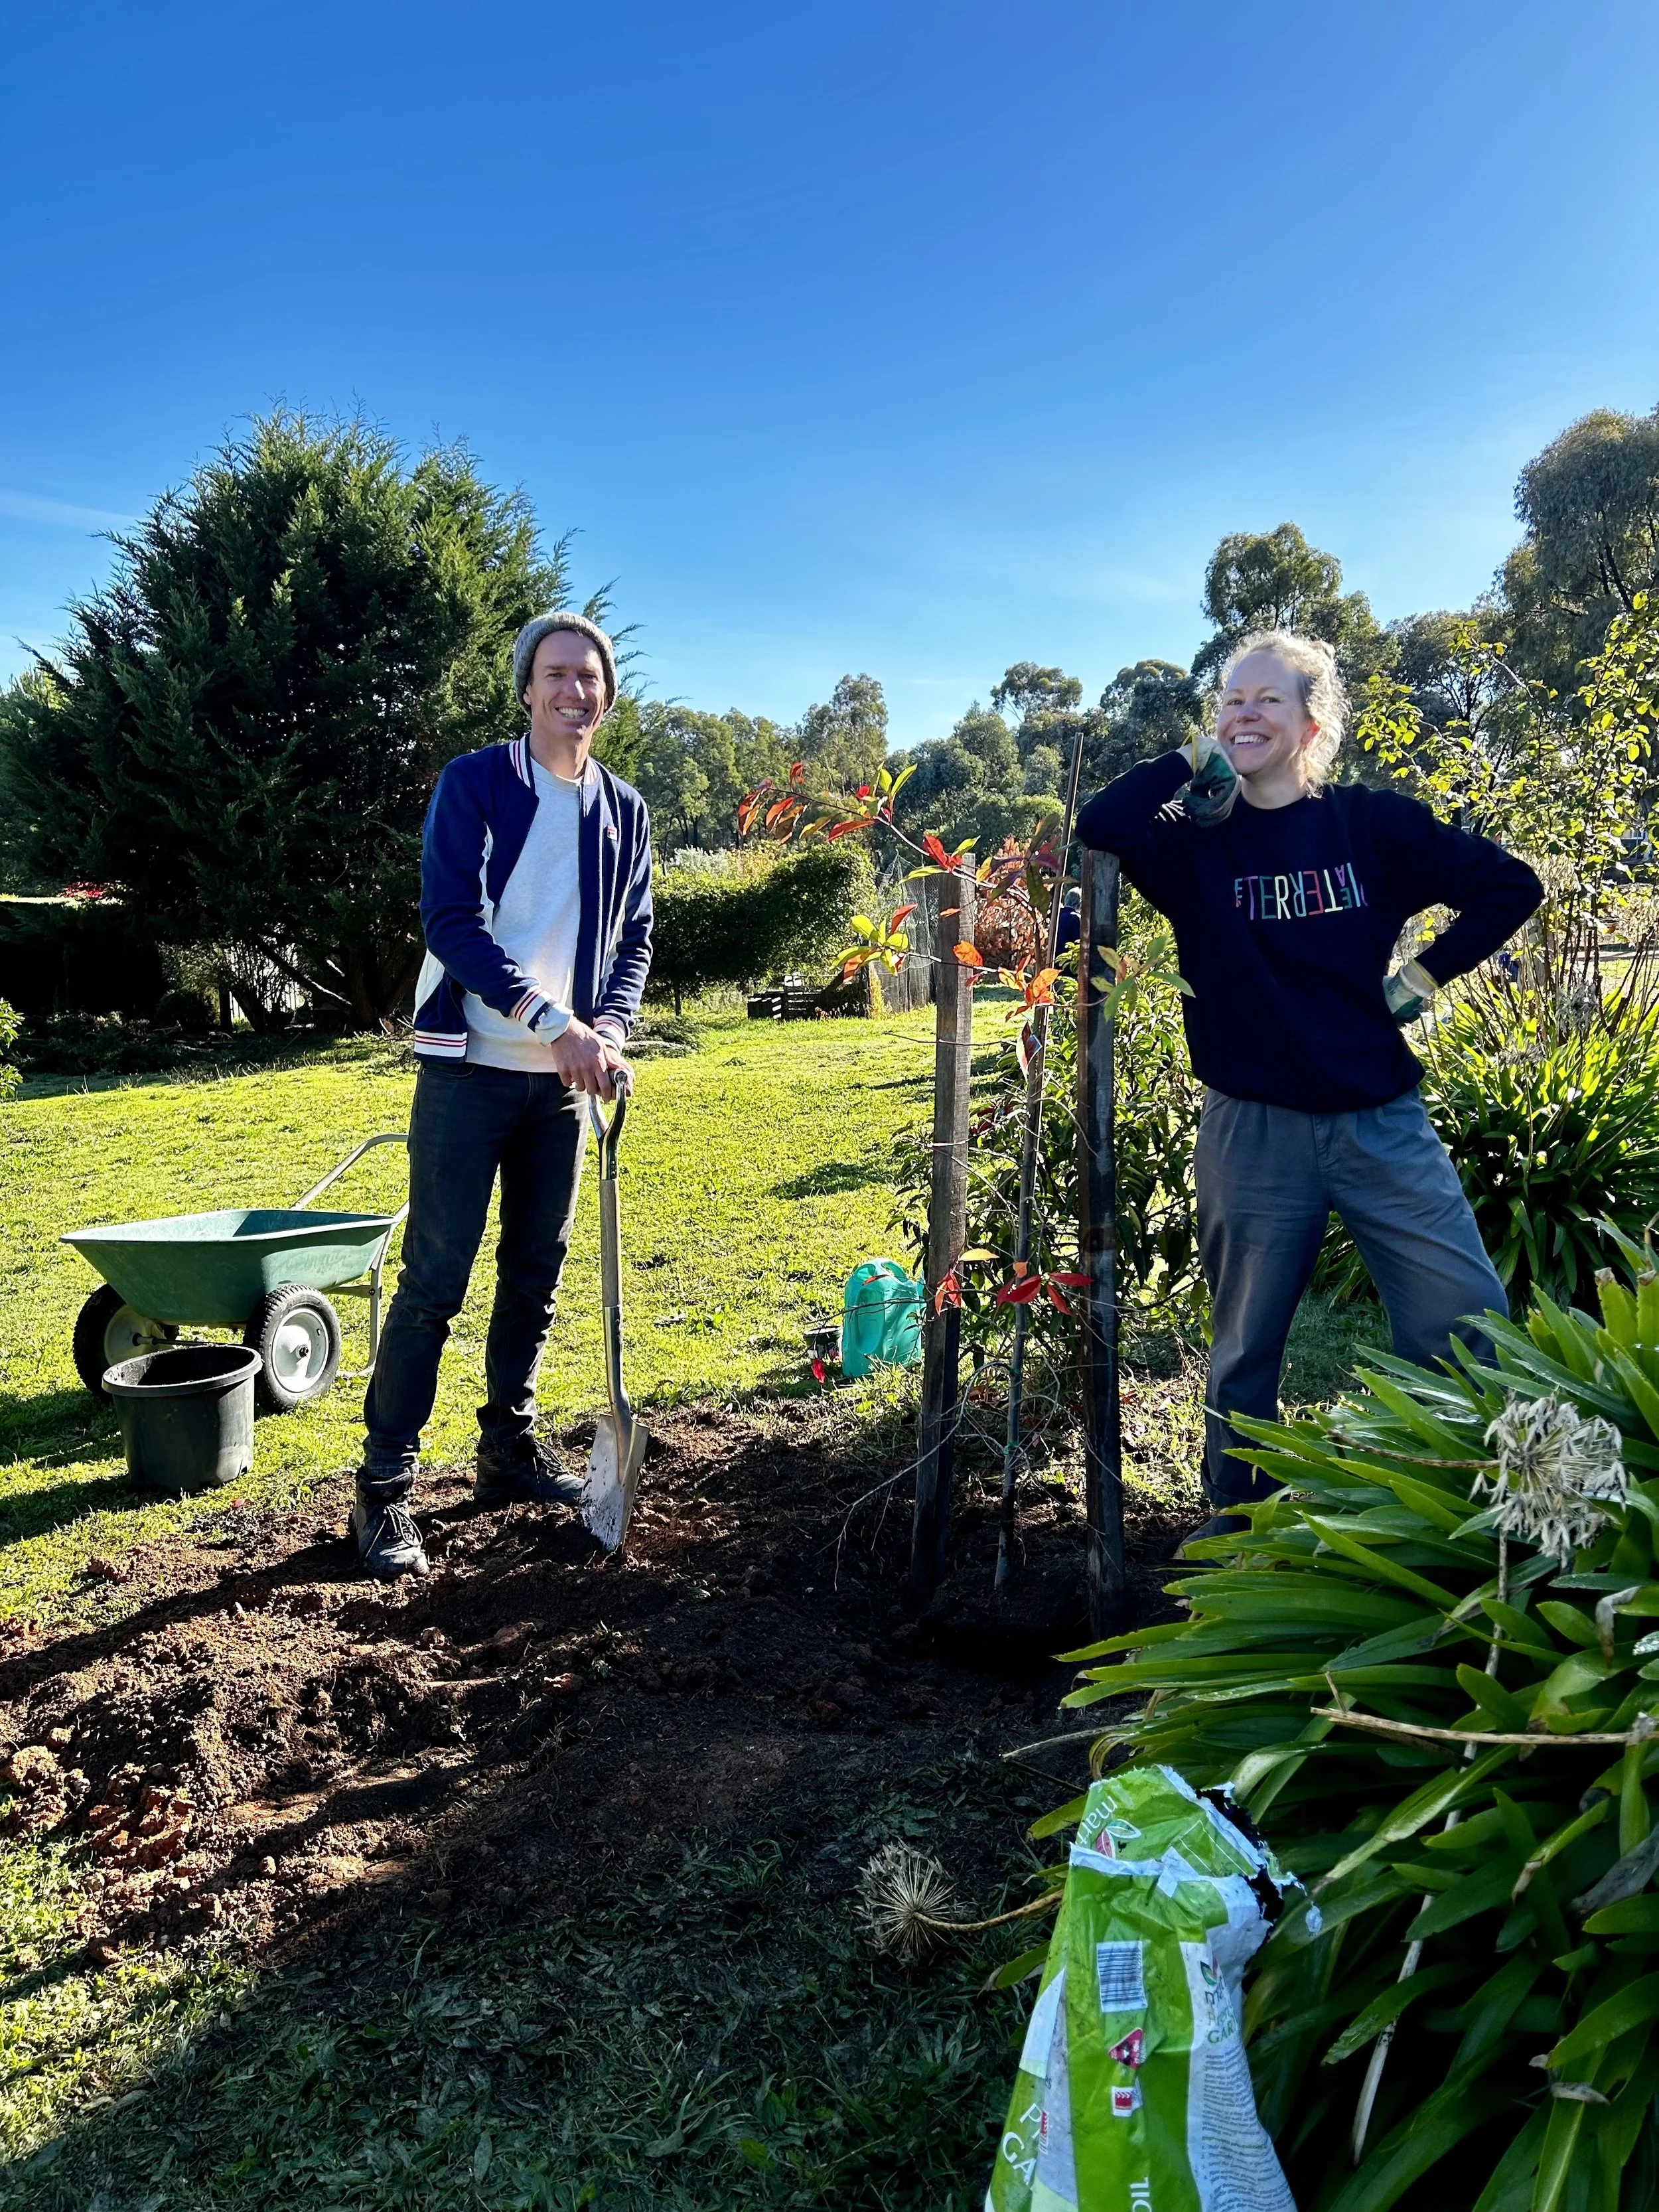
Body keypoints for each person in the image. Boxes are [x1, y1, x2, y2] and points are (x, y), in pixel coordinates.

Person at [1076, 629, 1542, 1542]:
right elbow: (1101, 825)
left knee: (1466, 1322)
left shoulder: (1371, 826)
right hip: (1253, 1130)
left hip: (1381, 1124)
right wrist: (1189, 759)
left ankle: (1482, 1514)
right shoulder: (1190, 846)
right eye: (1230, 702)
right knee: (1246, 1348)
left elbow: (1509, 887)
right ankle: (1240, 1525)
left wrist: (1421, 977)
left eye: (1267, 701)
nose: (1244, 713)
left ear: (1312, 723)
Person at [351, 613, 654, 1579]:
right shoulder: (476, 784)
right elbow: (452, 922)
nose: (575, 691)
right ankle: (385, 1487)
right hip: (470, 1071)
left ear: (607, 695)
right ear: (526, 689)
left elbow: (634, 941)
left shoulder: (623, 809)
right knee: (436, 1280)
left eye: (590, 678)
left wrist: (603, 1032)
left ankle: (505, 1453)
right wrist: (550, 1020)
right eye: (557, 675)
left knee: (535, 1274)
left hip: (561, 1089)